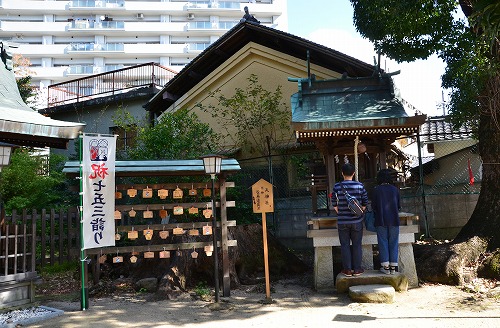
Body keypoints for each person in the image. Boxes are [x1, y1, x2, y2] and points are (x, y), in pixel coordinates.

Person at [332, 163, 368, 277]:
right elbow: (365, 202)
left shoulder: (337, 186)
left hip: (342, 221)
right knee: (357, 245)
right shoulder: (360, 186)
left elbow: (334, 203)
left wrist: (341, 212)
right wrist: (358, 211)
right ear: (353, 173)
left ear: (342, 173)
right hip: (357, 221)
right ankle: (357, 269)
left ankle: (347, 270)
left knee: (344, 245)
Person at [372, 169, 401, 275]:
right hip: (394, 220)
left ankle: (385, 267)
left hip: (381, 219)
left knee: (383, 242)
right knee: (394, 242)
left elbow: (373, 206)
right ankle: (393, 267)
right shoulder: (395, 189)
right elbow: (398, 206)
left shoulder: (376, 190)